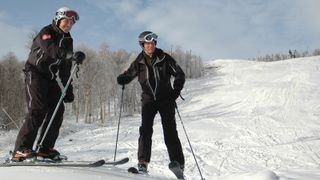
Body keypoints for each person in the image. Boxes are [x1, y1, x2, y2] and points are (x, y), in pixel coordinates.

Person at [12, 7, 84, 161]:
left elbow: (65, 69)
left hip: (49, 78)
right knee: (37, 109)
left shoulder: (68, 40)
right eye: (66, 21)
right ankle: (20, 149)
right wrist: (70, 55)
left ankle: (44, 149)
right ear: (58, 20)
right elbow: (50, 49)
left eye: (71, 23)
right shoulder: (46, 32)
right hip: (34, 73)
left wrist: (68, 88)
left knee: (58, 109)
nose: (68, 25)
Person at [117, 31, 185, 172]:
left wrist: (175, 92)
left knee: (170, 131)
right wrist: (123, 78)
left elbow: (179, 74)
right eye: (147, 43)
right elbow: (129, 74)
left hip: (166, 99)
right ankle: (143, 163)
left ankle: (178, 163)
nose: (150, 46)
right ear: (142, 45)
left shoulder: (164, 58)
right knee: (145, 131)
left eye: (153, 43)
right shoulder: (139, 61)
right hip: (148, 100)